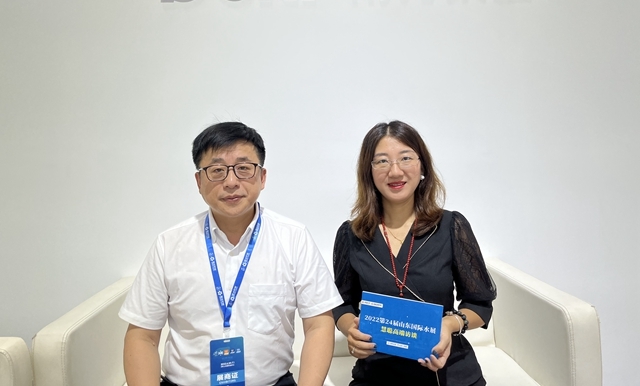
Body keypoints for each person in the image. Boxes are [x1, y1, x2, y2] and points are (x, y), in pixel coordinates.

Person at [119, 121, 343, 386]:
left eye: (243, 168)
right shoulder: (169, 244)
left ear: (262, 177)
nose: (231, 182)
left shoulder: (294, 238)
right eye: (217, 171)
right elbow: (143, 336)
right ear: (199, 181)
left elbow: (318, 324)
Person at [333, 120, 497, 386]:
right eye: (382, 161)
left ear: (422, 166)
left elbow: (480, 304)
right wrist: (351, 329)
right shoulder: (351, 235)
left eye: (406, 158)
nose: (395, 171)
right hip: (378, 372)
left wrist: (449, 325)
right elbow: (341, 303)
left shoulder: (451, 226)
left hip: (447, 371)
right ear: (368, 172)